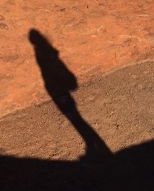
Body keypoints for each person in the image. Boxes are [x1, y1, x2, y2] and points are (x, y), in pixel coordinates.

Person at [28, 28, 111, 159]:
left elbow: (55, 70)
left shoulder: (45, 53)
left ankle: (93, 144)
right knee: (76, 118)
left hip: (58, 88)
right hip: (59, 87)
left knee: (76, 119)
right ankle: (92, 144)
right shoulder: (47, 52)